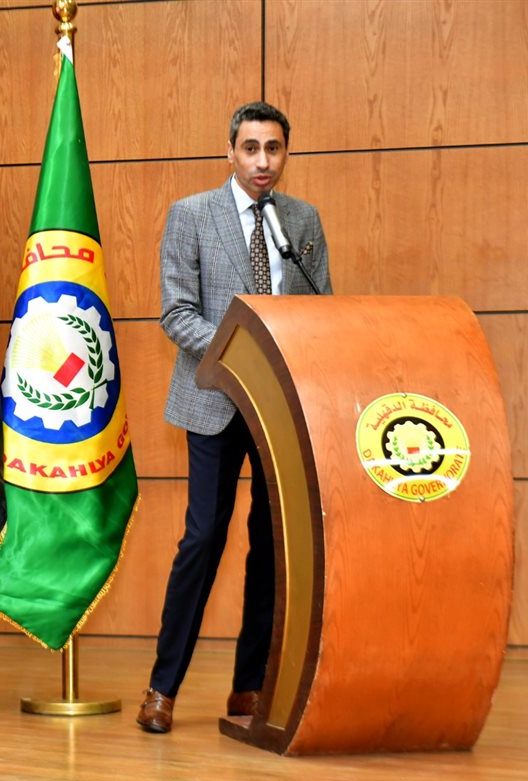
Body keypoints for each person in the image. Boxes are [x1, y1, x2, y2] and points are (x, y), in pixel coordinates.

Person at [136, 101, 333, 734]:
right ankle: (162, 689)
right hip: (214, 400)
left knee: (272, 543)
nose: (262, 161)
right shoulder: (191, 215)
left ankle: (249, 686)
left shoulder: (302, 220)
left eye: (273, 148)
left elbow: (321, 308)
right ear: (230, 152)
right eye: (251, 148)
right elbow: (176, 313)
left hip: (282, 408)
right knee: (203, 537)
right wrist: (240, 355)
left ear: (285, 153)